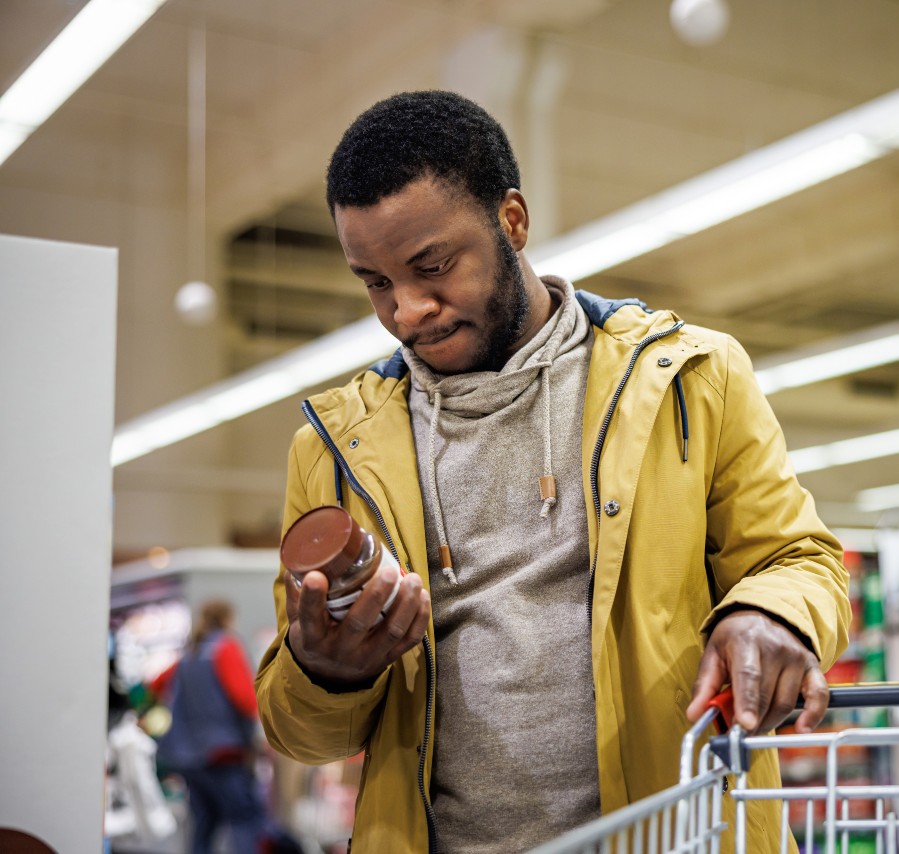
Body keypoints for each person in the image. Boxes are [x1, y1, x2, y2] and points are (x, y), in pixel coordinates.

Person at [255, 90, 851, 852]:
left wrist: (771, 613)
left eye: (432, 267)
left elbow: (798, 559)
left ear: (512, 221)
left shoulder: (687, 380)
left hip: (675, 837)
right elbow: (303, 735)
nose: (408, 311)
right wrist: (325, 671)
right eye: (374, 281)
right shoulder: (336, 450)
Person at [152, 600, 266, 854]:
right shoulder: (225, 648)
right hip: (222, 753)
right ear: (228, 619)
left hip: (190, 757)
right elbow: (245, 699)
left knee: (203, 824)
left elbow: (156, 684)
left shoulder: (190, 653)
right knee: (244, 820)